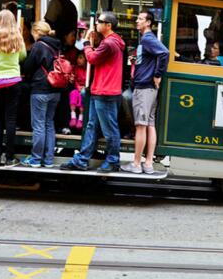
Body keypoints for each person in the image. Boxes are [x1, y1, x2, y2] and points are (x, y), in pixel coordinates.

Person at [61, 10, 126, 173]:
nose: (96, 23)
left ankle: (112, 161)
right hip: (101, 91)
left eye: (99, 21)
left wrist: (87, 44)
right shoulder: (112, 42)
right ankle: (82, 159)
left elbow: (92, 58)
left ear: (108, 25)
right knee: (91, 126)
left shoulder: (109, 43)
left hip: (106, 92)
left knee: (109, 129)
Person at [121, 10, 169, 175]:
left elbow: (164, 53)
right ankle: (148, 164)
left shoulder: (148, 39)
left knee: (141, 126)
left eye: (140, 19)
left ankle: (136, 164)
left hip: (144, 87)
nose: (137, 21)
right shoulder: (145, 40)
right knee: (149, 124)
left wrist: (157, 74)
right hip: (148, 88)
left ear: (148, 22)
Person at [0, 9, 27, 167]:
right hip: (13, 81)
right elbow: (23, 56)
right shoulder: (17, 36)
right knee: (10, 120)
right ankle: (9, 157)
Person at [20, 21, 64, 168]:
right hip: (55, 90)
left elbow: (27, 67)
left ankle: (36, 159)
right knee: (49, 124)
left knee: (38, 125)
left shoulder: (39, 45)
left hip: (40, 89)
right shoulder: (57, 45)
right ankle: (49, 159)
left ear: (36, 32)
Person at [69, 51, 87, 131]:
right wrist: (78, 86)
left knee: (82, 96)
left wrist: (84, 87)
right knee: (73, 93)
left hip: (85, 90)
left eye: (81, 58)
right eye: (77, 58)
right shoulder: (76, 68)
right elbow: (75, 79)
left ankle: (80, 118)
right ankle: (73, 116)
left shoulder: (89, 69)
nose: (78, 60)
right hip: (77, 88)